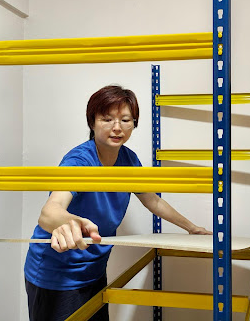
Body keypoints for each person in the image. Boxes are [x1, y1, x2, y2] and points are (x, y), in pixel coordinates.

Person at [24, 85, 211, 321]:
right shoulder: (79, 161)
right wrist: (73, 222)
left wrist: (191, 227)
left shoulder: (129, 161)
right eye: (107, 119)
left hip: (94, 271)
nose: (117, 127)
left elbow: (153, 200)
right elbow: (50, 212)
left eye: (125, 120)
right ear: (92, 122)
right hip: (56, 276)